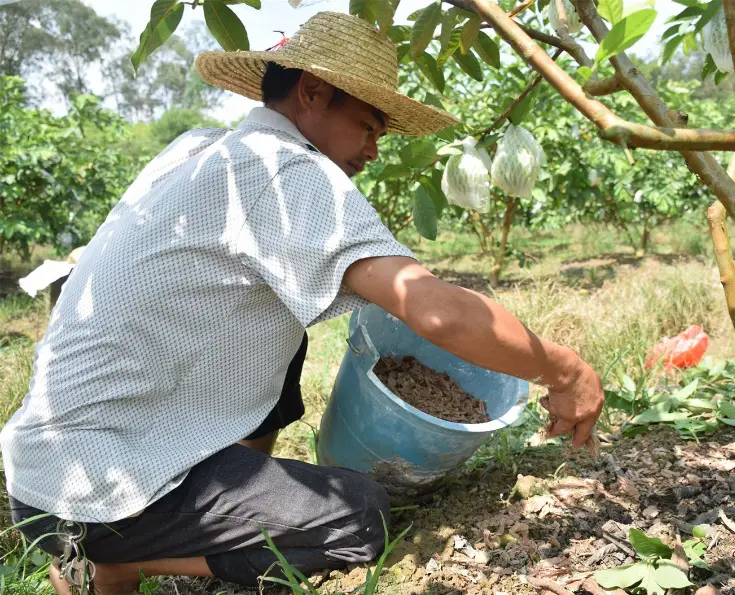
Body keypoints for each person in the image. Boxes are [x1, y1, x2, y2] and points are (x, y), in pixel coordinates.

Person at [0, 11, 603, 595]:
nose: (372, 151)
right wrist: (565, 370)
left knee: (287, 326)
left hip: (41, 471)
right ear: (313, 93)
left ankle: (164, 527)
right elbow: (436, 311)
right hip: (97, 495)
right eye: (369, 126)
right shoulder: (286, 172)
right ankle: (112, 563)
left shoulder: (195, 149)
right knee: (360, 516)